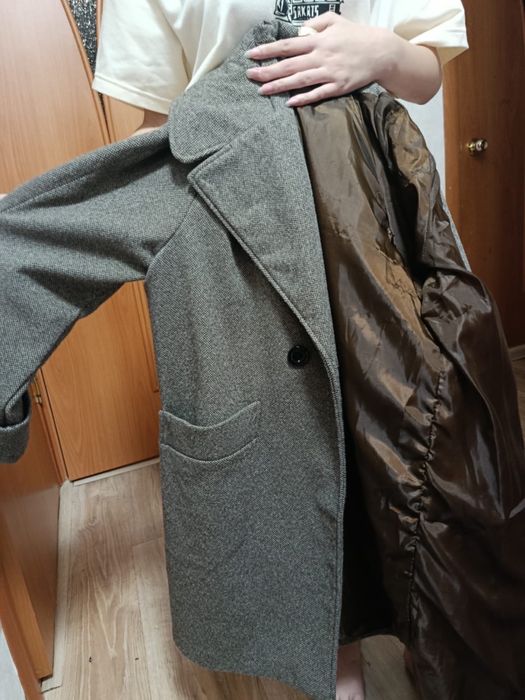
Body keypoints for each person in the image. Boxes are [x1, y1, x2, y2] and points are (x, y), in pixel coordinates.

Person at [91, 2, 468, 699]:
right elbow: (150, 130)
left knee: (419, 437)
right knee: (301, 453)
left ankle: (430, 634)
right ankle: (339, 668)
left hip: (380, 218)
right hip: (247, 240)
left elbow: (425, 73)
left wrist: (379, 54)